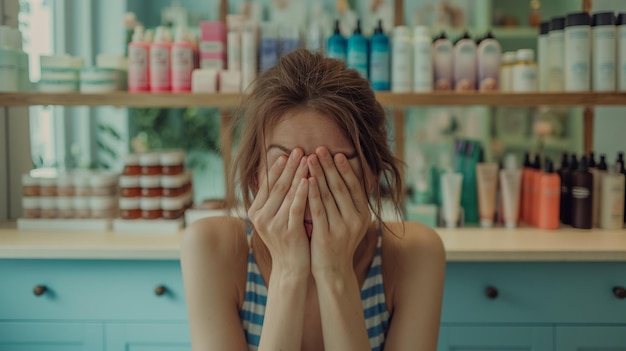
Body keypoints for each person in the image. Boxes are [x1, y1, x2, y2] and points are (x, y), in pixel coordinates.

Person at [181, 48, 446, 351]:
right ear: (255, 177)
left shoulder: (414, 254)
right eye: (286, 166)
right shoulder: (211, 248)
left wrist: (335, 272)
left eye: (332, 167)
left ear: (371, 177)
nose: (308, 192)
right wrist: (288, 270)